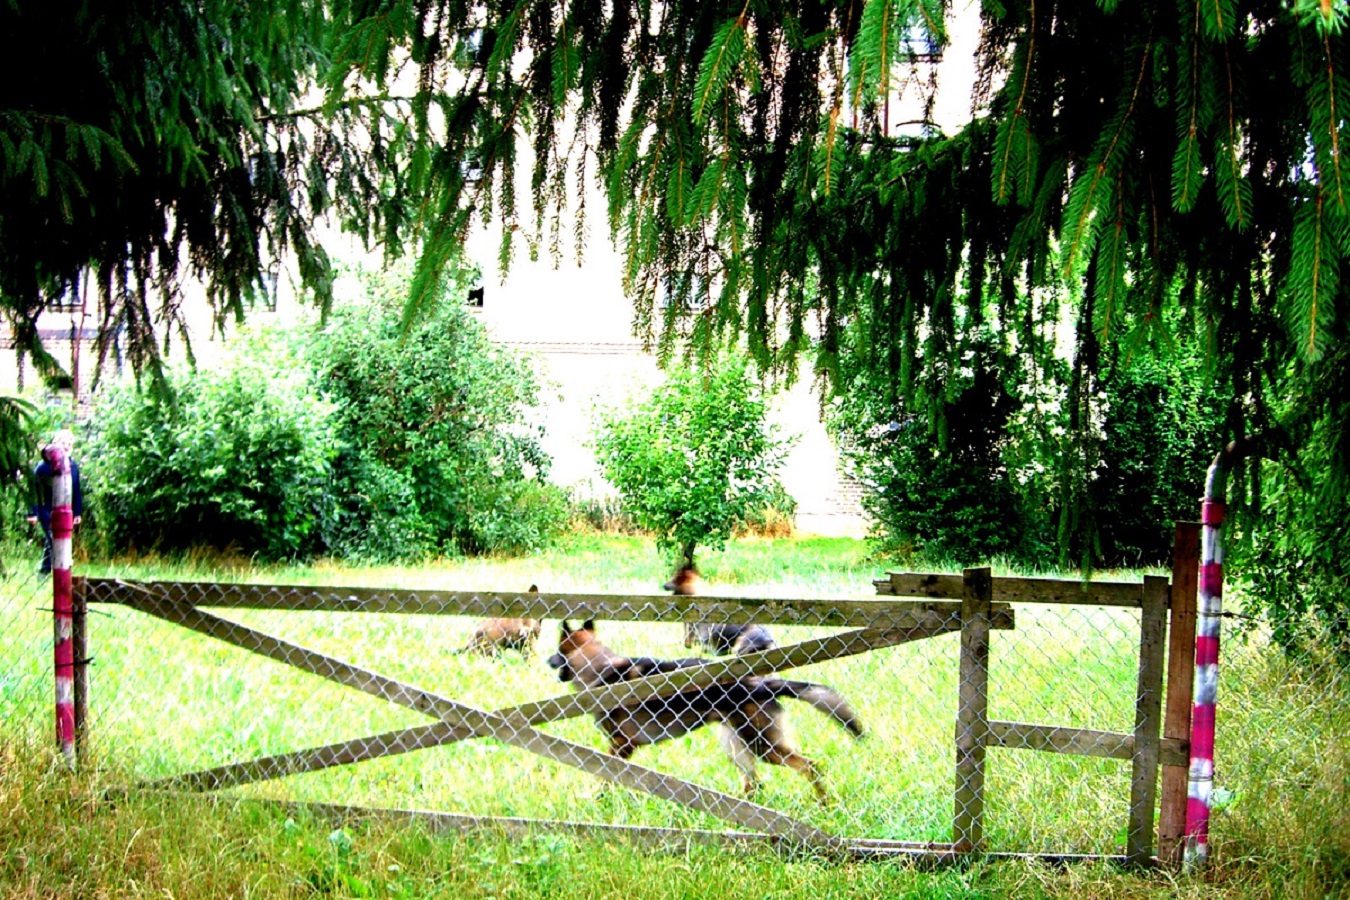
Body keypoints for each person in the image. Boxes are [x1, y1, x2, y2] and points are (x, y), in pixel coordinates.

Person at [28, 429, 83, 575]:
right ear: (55, 444)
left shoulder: (73, 466)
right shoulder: (43, 467)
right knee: (54, 539)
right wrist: (32, 512)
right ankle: (62, 570)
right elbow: (33, 490)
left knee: (53, 539)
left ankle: (44, 571)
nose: (66, 446)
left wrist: (77, 512)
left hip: (65, 509)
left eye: (69, 443)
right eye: (63, 443)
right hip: (46, 509)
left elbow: (76, 490)